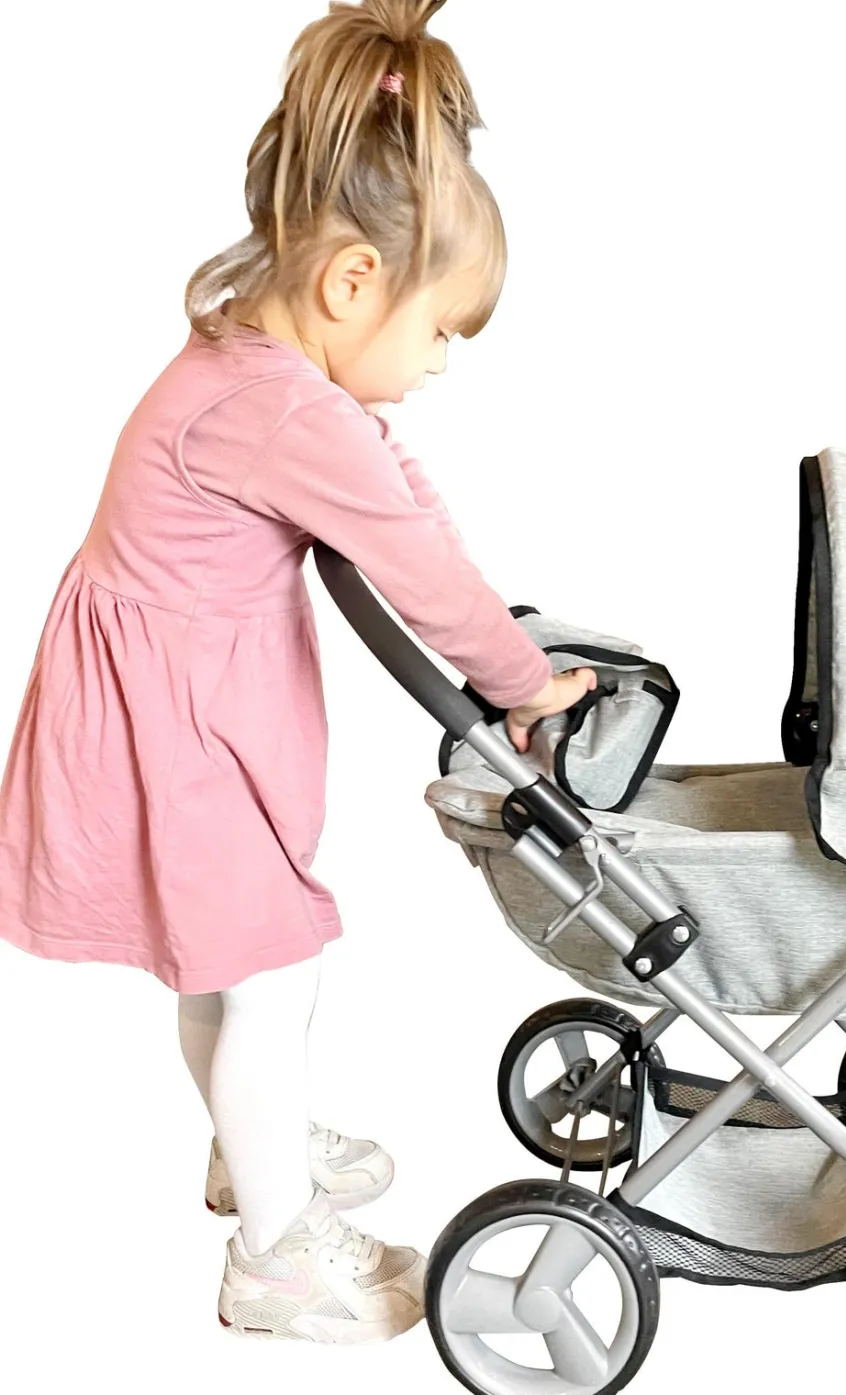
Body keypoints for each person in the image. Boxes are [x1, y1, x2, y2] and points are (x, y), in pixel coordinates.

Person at [0, 0, 595, 1345]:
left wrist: (501, 646)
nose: (437, 364)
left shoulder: (262, 363)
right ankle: (275, 1259)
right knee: (265, 974)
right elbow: (415, 561)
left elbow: (393, 489)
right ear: (352, 283)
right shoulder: (279, 408)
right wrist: (518, 680)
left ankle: (250, 1136)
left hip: (167, 711)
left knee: (232, 971)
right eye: (440, 331)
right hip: (178, 732)